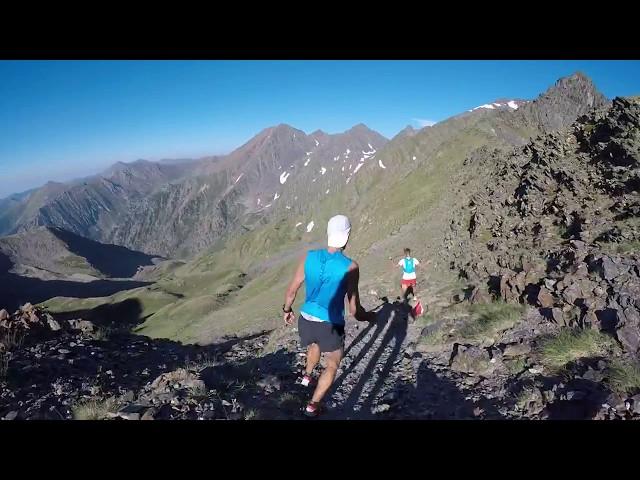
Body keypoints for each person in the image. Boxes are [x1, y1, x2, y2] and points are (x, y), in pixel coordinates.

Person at [283, 214, 375, 417]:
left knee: (314, 344)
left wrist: (287, 310)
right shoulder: (351, 266)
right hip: (330, 322)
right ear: (347, 236)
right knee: (332, 363)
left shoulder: (309, 256)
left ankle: (307, 376)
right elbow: (354, 310)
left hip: (306, 318)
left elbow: (292, 290)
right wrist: (368, 317)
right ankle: (312, 405)